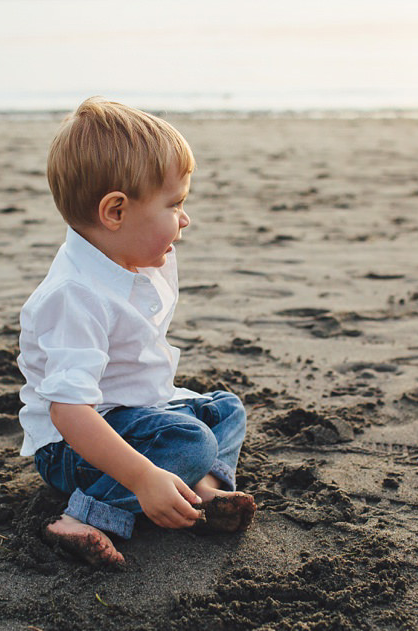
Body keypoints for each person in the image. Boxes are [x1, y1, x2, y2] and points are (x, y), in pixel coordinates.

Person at [16, 97, 256, 566]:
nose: (184, 219)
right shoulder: (74, 296)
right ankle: (84, 516)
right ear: (115, 213)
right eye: (174, 204)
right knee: (191, 442)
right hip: (75, 445)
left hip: (139, 408)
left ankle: (204, 489)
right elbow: (69, 414)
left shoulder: (138, 258)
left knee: (226, 409)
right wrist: (144, 476)